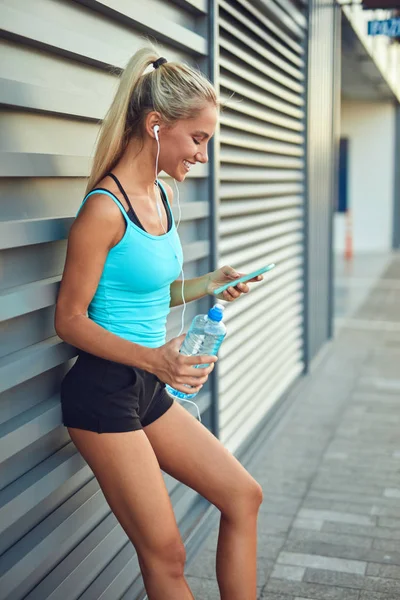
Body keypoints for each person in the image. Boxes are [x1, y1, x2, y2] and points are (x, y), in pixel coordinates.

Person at [55, 46, 264, 600]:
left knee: (243, 496)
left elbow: (152, 290)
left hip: (146, 386)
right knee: (167, 554)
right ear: (155, 126)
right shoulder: (104, 209)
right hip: (102, 392)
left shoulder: (162, 196)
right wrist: (155, 358)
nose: (202, 155)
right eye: (197, 139)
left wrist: (211, 282)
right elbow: (69, 320)